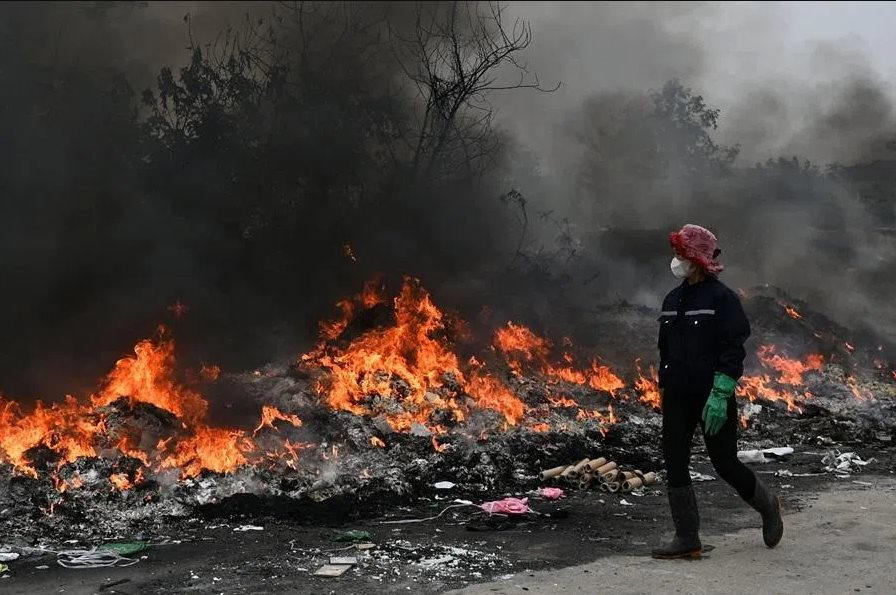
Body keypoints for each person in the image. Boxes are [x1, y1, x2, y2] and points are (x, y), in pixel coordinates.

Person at [652, 224, 783, 559]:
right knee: (675, 461)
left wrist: (721, 392)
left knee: (724, 462)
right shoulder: (672, 300)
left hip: (711, 396)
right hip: (678, 396)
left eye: (682, 254)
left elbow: (732, 348)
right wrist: (663, 389)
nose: (676, 261)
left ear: (696, 259)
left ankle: (767, 504)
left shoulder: (722, 299)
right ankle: (687, 538)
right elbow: (665, 350)